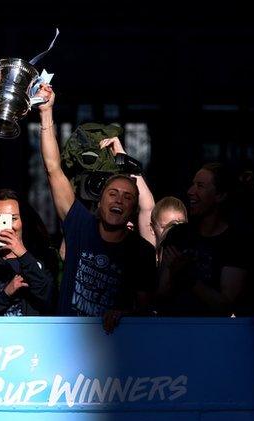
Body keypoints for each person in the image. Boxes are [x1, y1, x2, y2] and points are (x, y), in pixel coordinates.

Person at [35, 84, 157, 331]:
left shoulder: (140, 251)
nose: (118, 200)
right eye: (112, 194)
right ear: (100, 202)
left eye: (127, 197)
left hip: (114, 354)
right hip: (67, 343)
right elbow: (53, 168)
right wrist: (46, 113)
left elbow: (146, 310)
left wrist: (126, 313)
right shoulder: (80, 225)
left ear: (133, 208)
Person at [156, 163, 250, 316]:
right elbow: (161, 296)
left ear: (220, 195)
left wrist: (186, 278)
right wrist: (173, 274)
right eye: (192, 184)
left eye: (200, 186)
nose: (190, 191)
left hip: (213, 333)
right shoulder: (178, 235)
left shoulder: (235, 243)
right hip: (174, 328)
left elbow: (226, 306)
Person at [0, 190, 57, 316]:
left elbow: (49, 298)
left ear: (22, 221)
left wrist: (23, 254)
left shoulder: (42, 260)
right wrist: (5, 295)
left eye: (13, 218)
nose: (7, 227)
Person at [149, 196, 188, 264]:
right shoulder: (147, 261)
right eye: (165, 227)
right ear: (152, 228)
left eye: (178, 227)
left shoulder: (195, 259)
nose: (172, 233)